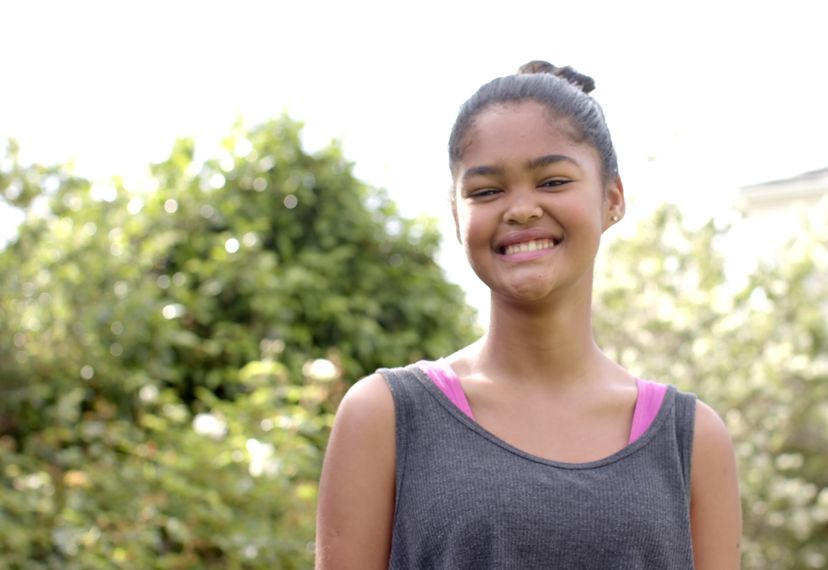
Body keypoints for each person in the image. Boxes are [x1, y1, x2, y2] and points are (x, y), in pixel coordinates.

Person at [316, 61, 742, 569]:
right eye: (487, 191)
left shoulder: (691, 441)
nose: (520, 209)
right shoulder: (384, 416)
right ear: (456, 214)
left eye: (553, 181)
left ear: (612, 198)